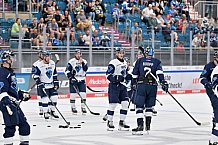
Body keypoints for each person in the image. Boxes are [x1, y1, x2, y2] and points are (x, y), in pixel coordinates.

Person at [131, 46, 168, 135]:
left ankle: (140, 126)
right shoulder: (157, 62)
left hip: (142, 85)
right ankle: (148, 126)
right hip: (152, 86)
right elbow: (160, 73)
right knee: (149, 107)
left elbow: (134, 75)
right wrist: (163, 83)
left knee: (139, 106)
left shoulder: (139, 61)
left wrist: (133, 84)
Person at [0, 50, 31, 144]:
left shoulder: (10, 72)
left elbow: (13, 89)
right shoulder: (2, 72)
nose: (13, 59)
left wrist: (21, 94)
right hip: (6, 102)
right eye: (10, 57)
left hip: (13, 102)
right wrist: (6, 101)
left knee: (24, 126)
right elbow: (2, 89)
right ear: (5, 59)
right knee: (10, 127)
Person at [105, 47, 131, 131]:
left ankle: (122, 122)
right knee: (113, 104)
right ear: (116, 54)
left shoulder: (125, 63)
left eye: (122, 53)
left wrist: (130, 78)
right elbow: (108, 75)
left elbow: (125, 74)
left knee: (125, 103)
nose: (121, 54)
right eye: (119, 53)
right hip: (114, 86)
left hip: (123, 86)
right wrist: (116, 79)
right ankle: (110, 122)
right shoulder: (113, 63)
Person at [32, 50, 60, 119]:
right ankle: (45, 112)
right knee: (45, 99)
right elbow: (35, 75)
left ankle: (52, 111)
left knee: (54, 97)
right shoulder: (38, 65)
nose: (49, 58)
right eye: (47, 56)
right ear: (44, 57)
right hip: (44, 85)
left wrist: (56, 82)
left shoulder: (52, 63)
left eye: (50, 56)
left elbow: (54, 74)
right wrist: (39, 82)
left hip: (51, 84)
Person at [200, 51, 218, 145]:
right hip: (211, 91)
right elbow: (201, 78)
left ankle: (216, 123)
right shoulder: (209, 66)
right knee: (216, 106)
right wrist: (207, 83)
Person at [65, 49, 88, 114]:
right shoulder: (71, 61)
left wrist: (82, 63)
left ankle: (83, 107)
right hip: (74, 79)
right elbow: (67, 71)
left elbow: (85, 69)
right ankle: (73, 107)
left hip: (82, 79)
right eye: (77, 54)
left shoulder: (84, 61)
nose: (78, 55)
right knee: (73, 94)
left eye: (79, 54)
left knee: (83, 94)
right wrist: (71, 77)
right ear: (75, 54)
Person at [31, 50, 44, 116]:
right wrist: (37, 79)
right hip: (40, 82)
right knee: (40, 95)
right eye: (41, 54)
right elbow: (33, 74)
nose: (42, 55)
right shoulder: (35, 64)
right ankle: (41, 109)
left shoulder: (48, 62)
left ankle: (49, 109)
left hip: (48, 82)